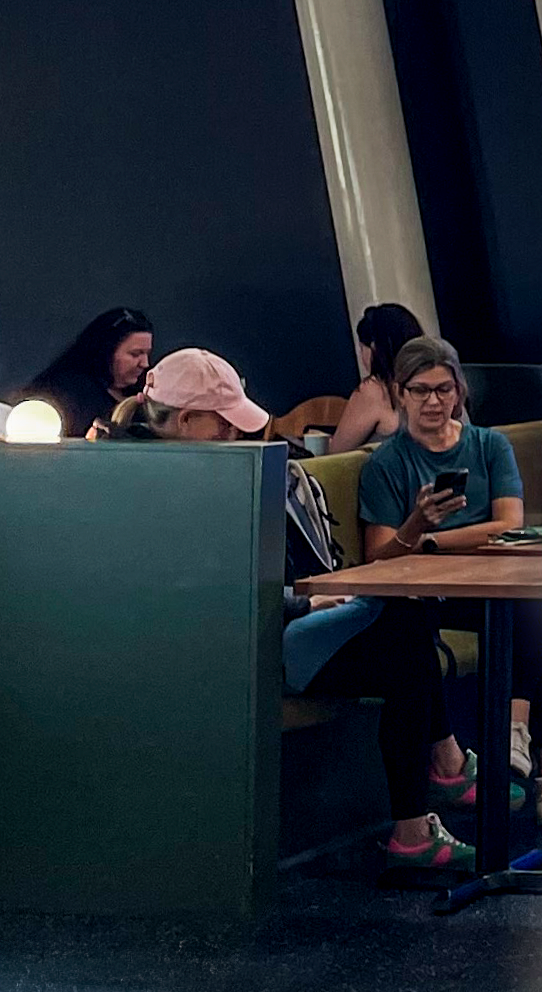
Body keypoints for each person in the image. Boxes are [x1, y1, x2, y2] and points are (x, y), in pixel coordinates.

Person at [127, 349, 473, 882]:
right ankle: (437, 785)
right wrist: (305, 601)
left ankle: (418, 821)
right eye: (222, 426)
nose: (232, 438)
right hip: (242, 640)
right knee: (405, 634)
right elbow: (206, 594)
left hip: (269, 622)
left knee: (406, 627)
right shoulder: (166, 488)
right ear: (186, 419)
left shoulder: (188, 474)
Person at [358, 334, 542, 831]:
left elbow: (508, 522)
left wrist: (436, 541)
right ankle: (536, 753)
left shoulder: (488, 444)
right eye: (420, 391)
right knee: (443, 619)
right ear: (401, 393)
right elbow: (379, 557)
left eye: (443, 389)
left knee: (533, 610)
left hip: (488, 581)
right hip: (429, 595)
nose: (433, 401)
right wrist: (417, 526)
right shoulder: (386, 464)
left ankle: (541, 758)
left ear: (458, 391)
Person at [18, 305, 153, 438]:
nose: (144, 364)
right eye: (135, 354)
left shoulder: (145, 397)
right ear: (106, 352)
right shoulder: (65, 393)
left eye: (147, 354)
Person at [328, 302, 424, 453]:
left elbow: (336, 454)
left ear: (374, 347)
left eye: (361, 349)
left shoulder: (375, 389)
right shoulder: (440, 382)